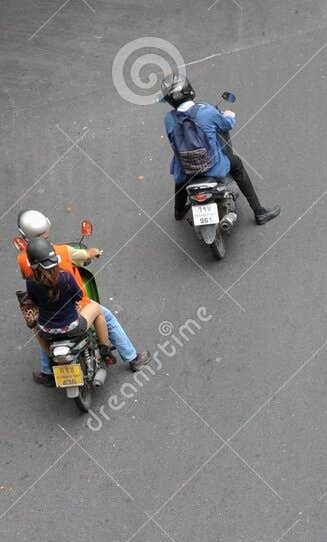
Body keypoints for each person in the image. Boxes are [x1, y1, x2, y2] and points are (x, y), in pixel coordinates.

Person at [16, 210, 145, 382]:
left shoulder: (24, 263)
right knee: (105, 316)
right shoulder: (63, 256)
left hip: (47, 324)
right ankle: (130, 358)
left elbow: (33, 297)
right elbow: (81, 274)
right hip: (74, 318)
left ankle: (47, 371)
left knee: (42, 328)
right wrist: (94, 252)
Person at [160, 73, 279, 226]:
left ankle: (178, 212)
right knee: (237, 164)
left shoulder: (169, 119)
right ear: (190, 91)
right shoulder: (208, 112)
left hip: (186, 171)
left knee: (179, 176)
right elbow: (227, 125)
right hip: (213, 168)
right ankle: (259, 212)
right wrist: (229, 115)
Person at [21, 238, 109, 382]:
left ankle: (50, 359)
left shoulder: (30, 282)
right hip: (73, 327)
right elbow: (79, 296)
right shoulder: (65, 277)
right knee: (97, 309)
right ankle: (105, 350)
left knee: (35, 329)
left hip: (47, 332)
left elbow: (34, 302)